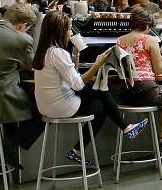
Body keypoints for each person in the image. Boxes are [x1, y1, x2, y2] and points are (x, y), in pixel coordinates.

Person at [33, 11, 148, 164]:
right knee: (99, 93)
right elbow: (77, 84)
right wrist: (97, 64)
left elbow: (68, 75)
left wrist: (75, 55)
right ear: (60, 31)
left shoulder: (44, 51)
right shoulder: (59, 53)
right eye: (68, 29)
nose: (71, 32)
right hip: (61, 106)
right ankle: (125, 128)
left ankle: (79, 150)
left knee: (99, 98)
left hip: (45, 106)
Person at [116, 7, 162, 150]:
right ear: (146, 25)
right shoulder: (150, 39)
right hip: (146, 93)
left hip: (126, 94)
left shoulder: (120, 40)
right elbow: (159, 68)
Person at [0, 4, 43, 167]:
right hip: (2, 94)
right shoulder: (22, 39)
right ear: (23, 25)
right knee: (43, 110)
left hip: (1, 92)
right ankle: (12, 143)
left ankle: (2, 147)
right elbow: (31, 65)